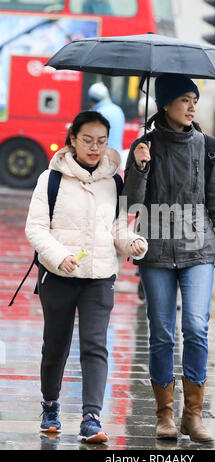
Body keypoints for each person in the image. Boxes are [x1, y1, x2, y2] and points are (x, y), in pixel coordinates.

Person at [122, 74, 215, 442]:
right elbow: (130, 202)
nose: (192, 107)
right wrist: (140, 167)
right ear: (164, 105)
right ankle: (165, 416)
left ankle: (193, 415)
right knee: (161, 333)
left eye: (195, 100)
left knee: (195, 326)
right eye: (185, 100)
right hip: (156, 250)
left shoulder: (207, 146)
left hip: (199, 249)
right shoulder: (144, 146)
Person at [25, 110, 147, 443]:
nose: (95, 148)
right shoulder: (50, 179)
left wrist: (132, 242)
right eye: (88, 140)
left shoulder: (115, 180)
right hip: (58, 275)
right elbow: (35, 228)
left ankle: (91, 418)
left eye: (102, 141)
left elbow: (118, 227)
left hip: (100, 276)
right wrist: (59, 255)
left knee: (95, 345)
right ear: (72, 139)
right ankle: (50, 405)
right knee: (56, 347)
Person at [88, 82, 125, 154]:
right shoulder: (118, 110)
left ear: (92, 100)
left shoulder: (97, 114)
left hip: (103, 160)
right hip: (118, 158)